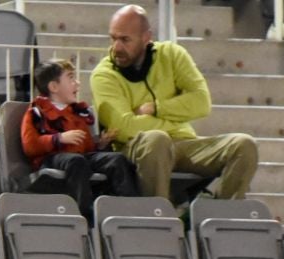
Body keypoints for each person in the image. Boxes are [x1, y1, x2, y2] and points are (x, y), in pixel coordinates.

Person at [91, 6, 258, 200]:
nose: (117, 47)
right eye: (113, 38)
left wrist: (156, 108)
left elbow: (202, 102)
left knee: (244, 145)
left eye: (125, 39)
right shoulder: (103, 74)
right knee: (157, 139)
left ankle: (221, 216)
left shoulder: (172, 54)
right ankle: (159, 219)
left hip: (183, 143)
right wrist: (173, 121)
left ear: (146, 37)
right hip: (136, 147)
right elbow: (124, 127)